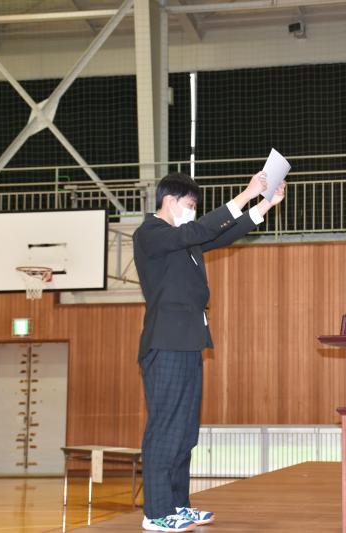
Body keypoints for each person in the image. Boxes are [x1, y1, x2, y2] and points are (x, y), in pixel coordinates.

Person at [133, 171, 286, 532]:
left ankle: (177, 505)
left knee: (185, 430)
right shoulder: (151, 233)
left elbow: (220, 233)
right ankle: (156, 512)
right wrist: (246, 194)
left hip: (189, 342)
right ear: (169, 201)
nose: (192, 212)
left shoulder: (183, 241)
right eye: (189, 205)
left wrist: (265, 204)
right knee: (165, 428)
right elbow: (200, 229)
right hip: (166, 342)